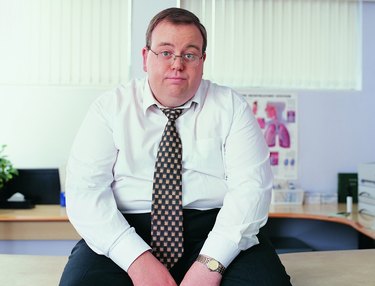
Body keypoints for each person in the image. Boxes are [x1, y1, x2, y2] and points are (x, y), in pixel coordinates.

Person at [59, 7, 291, 286]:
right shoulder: (109, 109)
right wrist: (137, 260)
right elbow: (84, 192)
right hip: (127, 228)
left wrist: (210, 265)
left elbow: (251, 190)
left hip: (218, 227)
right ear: (146, 58)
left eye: (189, 54)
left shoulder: (231, 107)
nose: (177, 64)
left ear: (202, 60)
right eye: (166, 52)